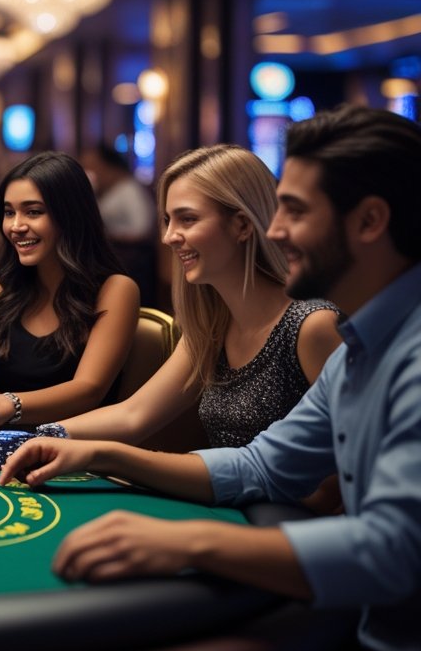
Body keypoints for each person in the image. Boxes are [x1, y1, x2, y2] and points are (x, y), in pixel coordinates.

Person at [0, 106, 421, 651]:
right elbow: (263, 465)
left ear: (370, 221)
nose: (275, 229)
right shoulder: (360, 348)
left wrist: (189, 542)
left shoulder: (384, 347)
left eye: (294, 211)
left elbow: (393, 550)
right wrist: (96, 452)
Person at [50, 145, 341, 451]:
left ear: (242, 225)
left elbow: (336, 478)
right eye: (167, 220)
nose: (168, 237)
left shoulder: (313, 325)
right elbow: (133, 416)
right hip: (216, 498)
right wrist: (36, 436)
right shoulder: (212, 327)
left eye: (187, 219)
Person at [0, 152, 140, 425]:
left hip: (82, 453)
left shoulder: (116, 289)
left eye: (34, 212)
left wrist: (11, 403)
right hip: (3, 454)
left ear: (70, 215)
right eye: (9, 212)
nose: (16, 226)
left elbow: (88, 390)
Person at [80, 143, 158, 304]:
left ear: (108, 165)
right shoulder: (108, 190)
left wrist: (109, 236)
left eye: (93, 167)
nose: (90, 172)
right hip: (116, 257)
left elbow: (142, 228)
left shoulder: (129, 189)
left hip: (132, 260)